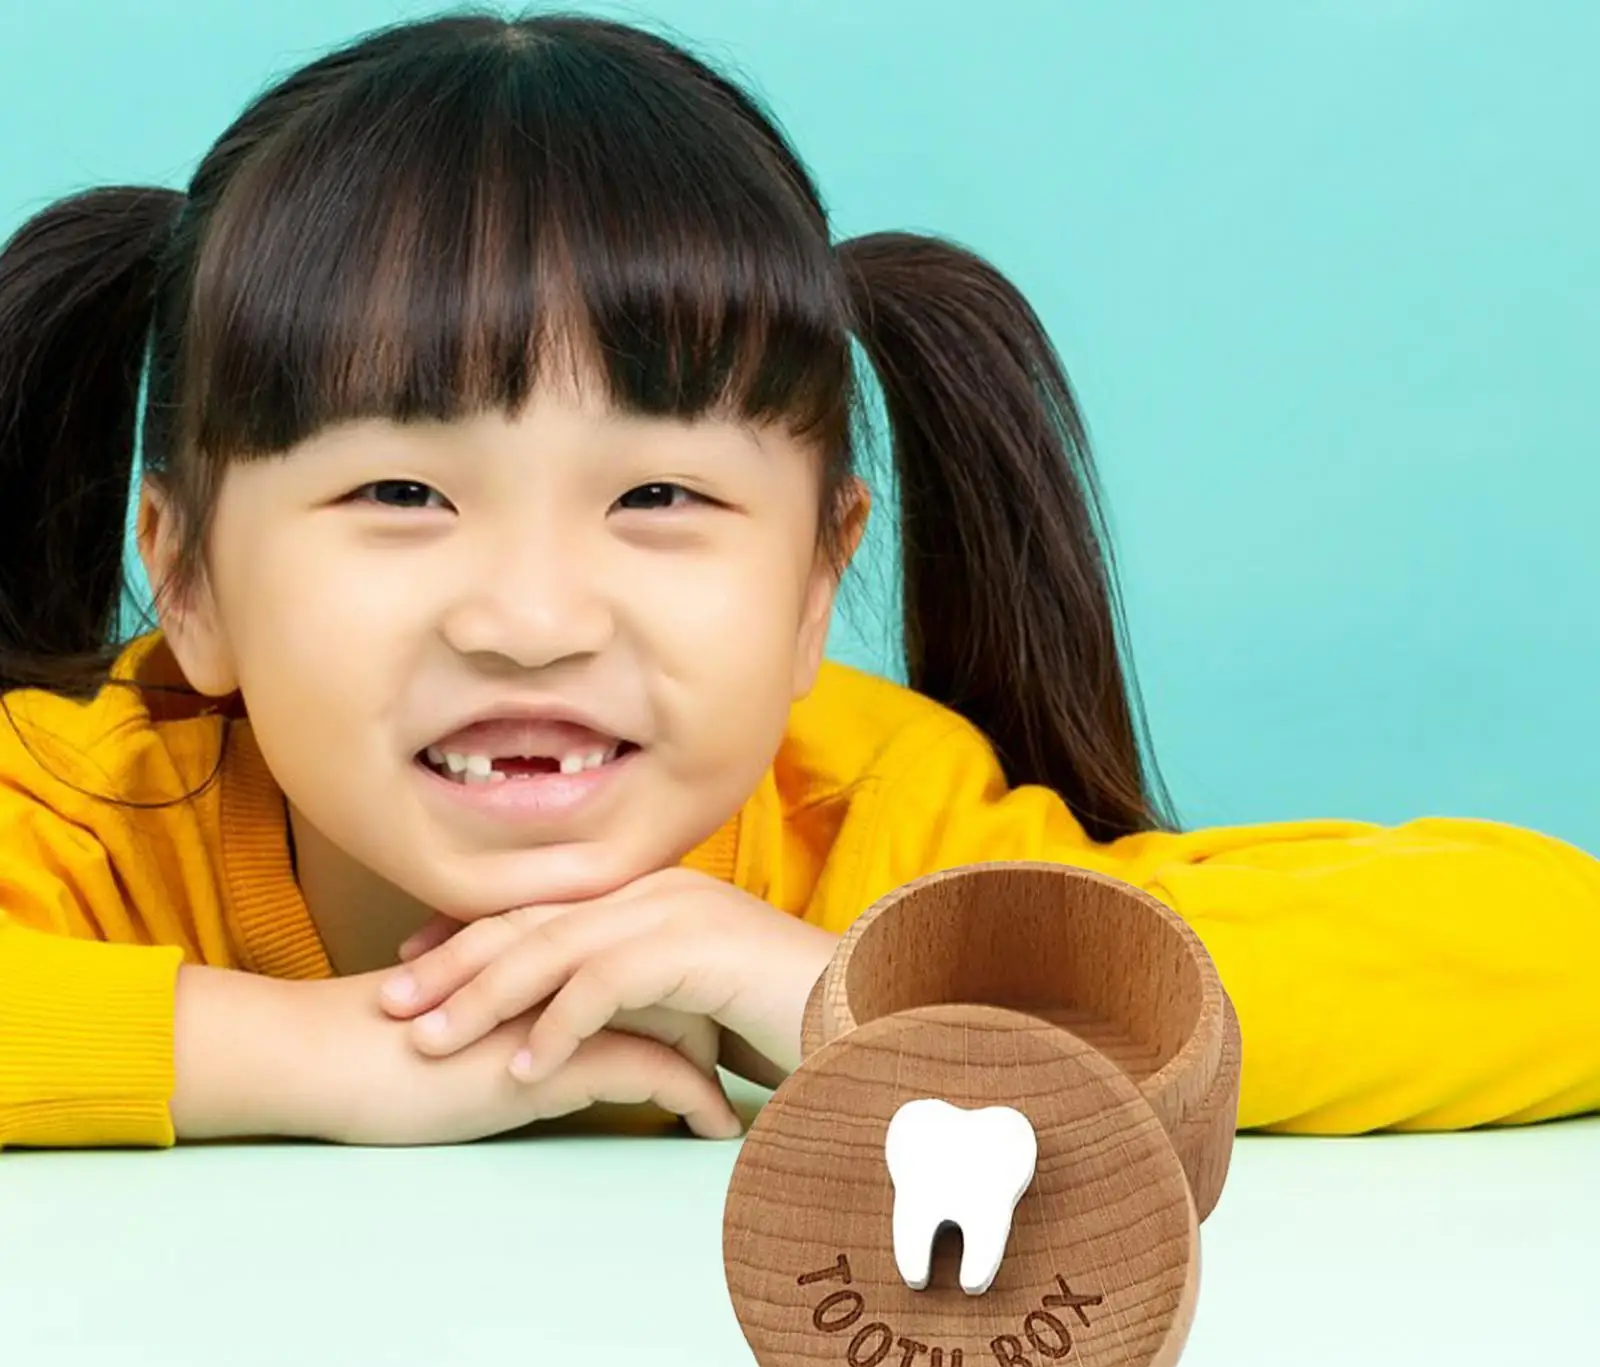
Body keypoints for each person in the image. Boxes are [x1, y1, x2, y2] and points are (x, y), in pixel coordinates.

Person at [1, 10, 1595, 1153]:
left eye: (660, 495)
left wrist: (867, 991)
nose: (534, 618)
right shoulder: (94, 822)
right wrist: (302, 1056)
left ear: (819, 575)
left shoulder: (870, 830)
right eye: (403, 491)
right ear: (188, 580)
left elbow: (1557, 955)